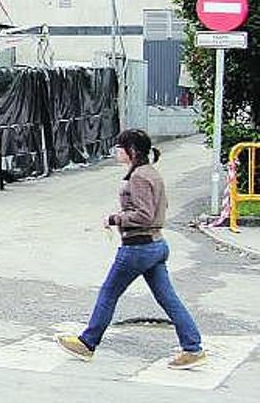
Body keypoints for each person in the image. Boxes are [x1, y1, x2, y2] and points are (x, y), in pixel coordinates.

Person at [56, 129, 206, 370]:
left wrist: (115, 219)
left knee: (108, 293)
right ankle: (193, 347)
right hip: (156, 244)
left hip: (138, 247)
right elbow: (162, 206)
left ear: (132, 151)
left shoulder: (138, 177)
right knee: (168, 299)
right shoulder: (151, 173)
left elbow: (144, 215)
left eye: (120, 147)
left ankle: (87, 343)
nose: (116, 151)